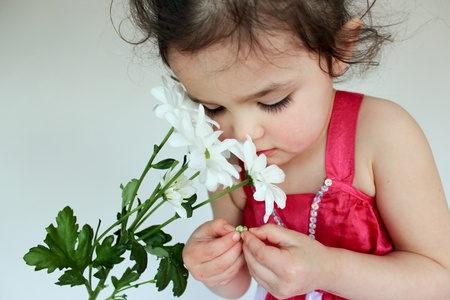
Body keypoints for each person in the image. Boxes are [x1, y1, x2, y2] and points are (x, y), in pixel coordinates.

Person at [128, 1, 450, 299]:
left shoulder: (382, 134)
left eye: (272, 102)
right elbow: (238, 285)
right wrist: (215, 268)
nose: (244, 135)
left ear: (338, 50)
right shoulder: (228, 160)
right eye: (213, 108)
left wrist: (326, 269)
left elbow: (440, 280)